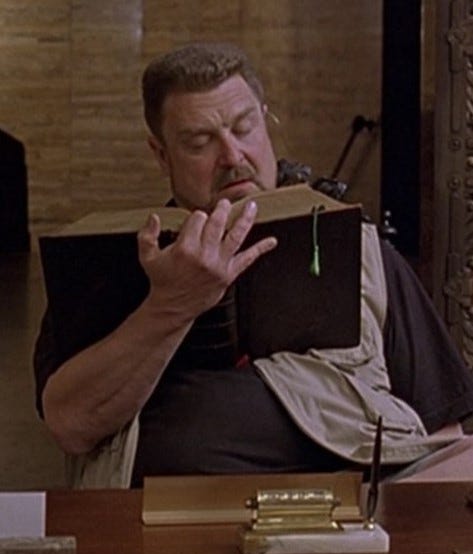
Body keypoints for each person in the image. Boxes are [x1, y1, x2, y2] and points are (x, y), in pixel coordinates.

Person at [34, 42, 473, 488]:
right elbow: (70, 425)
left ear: (266, 120)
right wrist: (170, 307)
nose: (232, 156)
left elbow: (442, 434)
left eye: (245, 128)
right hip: (163, 519)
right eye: (199, 142)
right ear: (162, 155)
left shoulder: (359, 248)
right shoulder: (115, 262)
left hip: (343, 511)